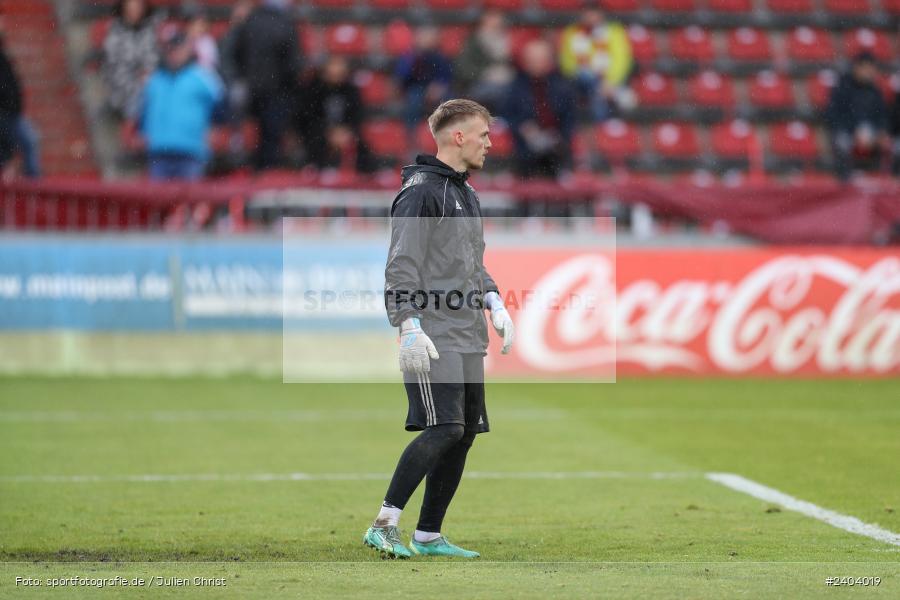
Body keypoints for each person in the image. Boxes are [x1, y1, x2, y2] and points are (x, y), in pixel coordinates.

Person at [366, 99, 515, 559]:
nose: (491, 143)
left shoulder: (464, 192)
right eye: (484, 135)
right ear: (458, 137)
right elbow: (401, 264)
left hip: (467, 328)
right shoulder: (421, 192)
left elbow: (470, 260)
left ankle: (428, 534)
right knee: (445, 426)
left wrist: (492, 299)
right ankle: (384, 523)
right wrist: (408, 323)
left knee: (465, 430)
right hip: (433, 331)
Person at [139, 30, 223, 181]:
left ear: (187, 49)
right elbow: (144, 112)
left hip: (191, 151)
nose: (174, 53)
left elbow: (221, 106)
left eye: (178, 48)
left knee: (189, 202)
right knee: (158, 201)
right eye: (171, 48)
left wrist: (213, 129)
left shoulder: (203, 77)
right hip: (159, 150)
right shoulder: (155, 80)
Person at [234, 0, 302, 170]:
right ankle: (267, 179)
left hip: (252, 92)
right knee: (271, 142)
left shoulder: (250, 21)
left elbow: (236, 53)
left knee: (254, 140)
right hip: (277, 93)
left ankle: (255, 177)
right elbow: (293, 65)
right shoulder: (285, 23)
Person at [504, 39, 577, 179]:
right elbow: (507, 115)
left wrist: (558, 135)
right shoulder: (515, 87)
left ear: (549, 61)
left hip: (557, 148)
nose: (535, 64)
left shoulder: (562, 87)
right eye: (531, 60)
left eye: (540, 59)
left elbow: (569, 119)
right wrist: (523, 128)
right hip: (524, 148)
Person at [558, 4, 633, 123]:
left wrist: (610, 81)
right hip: (580, 78)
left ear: (601, 15)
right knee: (594, 85)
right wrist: (584, 71)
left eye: (593, 14)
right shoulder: (571, 33)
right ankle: (606, 120)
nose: (591, 17)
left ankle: (603, 123)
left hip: (607, 79)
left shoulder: (614, 32)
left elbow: (621, 59)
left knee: (598, 90)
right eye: (588, 14)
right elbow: (566, 62)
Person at [297, 56, 373, 172]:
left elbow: (357, 115)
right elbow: (308, 115)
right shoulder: (315, 89)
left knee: (361, 143)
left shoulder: (351, 90)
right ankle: (316, 168)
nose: (336, 70)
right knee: (314, 137)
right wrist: (329, 131)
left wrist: (347, 131)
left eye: (339, 66)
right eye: (333, 66)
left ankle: (363, 174)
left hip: (345, 130)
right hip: (321, 130)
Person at [825, 52, 889, 181]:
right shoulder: (842, 87)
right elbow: (834, 115)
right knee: (842, 142)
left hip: (870, 133)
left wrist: (879, 132)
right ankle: (846, 180)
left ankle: (880, 180)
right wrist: (854, 132)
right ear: (857, 68)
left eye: (871, 68)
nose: (869, 72)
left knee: (890, 144)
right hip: (848, 131)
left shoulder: (875, 90)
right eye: (865, 68)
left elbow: (882, 115)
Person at [102, 0, 160, 119]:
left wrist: (149, 76)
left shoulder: (151, 30)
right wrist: (140, 82)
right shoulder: (114, 35)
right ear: (123, 8)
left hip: (153, 87)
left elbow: (156, 59)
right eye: (131, 7)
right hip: (126, 94)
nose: (135, 10)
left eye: (138, 6)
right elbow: (115, 72)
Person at [395, 26, 453, 137]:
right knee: (414, 100)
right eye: (425, 36)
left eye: (431, 36)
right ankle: (411, 136)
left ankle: (448, 136)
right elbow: (403, 77)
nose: (428, 39)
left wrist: (440, 87)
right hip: (415, 89)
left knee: (451, 102)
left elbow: (447, 76)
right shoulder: (410, 55)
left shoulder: (440, 56)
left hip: (437, 90)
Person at [0, 20, 40, 177]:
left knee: (29, 141)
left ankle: (34, 182)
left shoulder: (3, 55)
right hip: (6, 113)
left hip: (12, 112)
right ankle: (34, 183)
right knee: (28, 141)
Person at [453, 11, 514, 112]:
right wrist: (487, 74)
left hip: (502, 81)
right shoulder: (472, 42)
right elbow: (463, 69)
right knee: (504, 91)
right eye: (492, 25)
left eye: (498, 25)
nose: (495, 28)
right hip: (474, 85)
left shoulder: (505, 42)